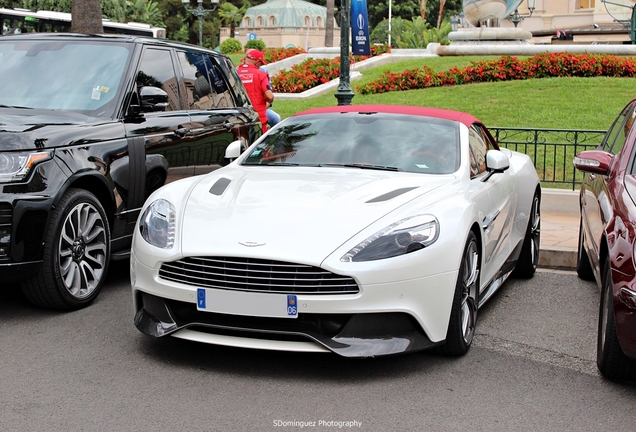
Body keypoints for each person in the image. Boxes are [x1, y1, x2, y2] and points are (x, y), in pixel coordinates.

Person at [236, 49, 276, 131]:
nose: (260, 66)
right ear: (257, 62)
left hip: (239, 117)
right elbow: (270, 96)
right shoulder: (261, 74)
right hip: (259, 117)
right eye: (260, 63)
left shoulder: (234, 73)